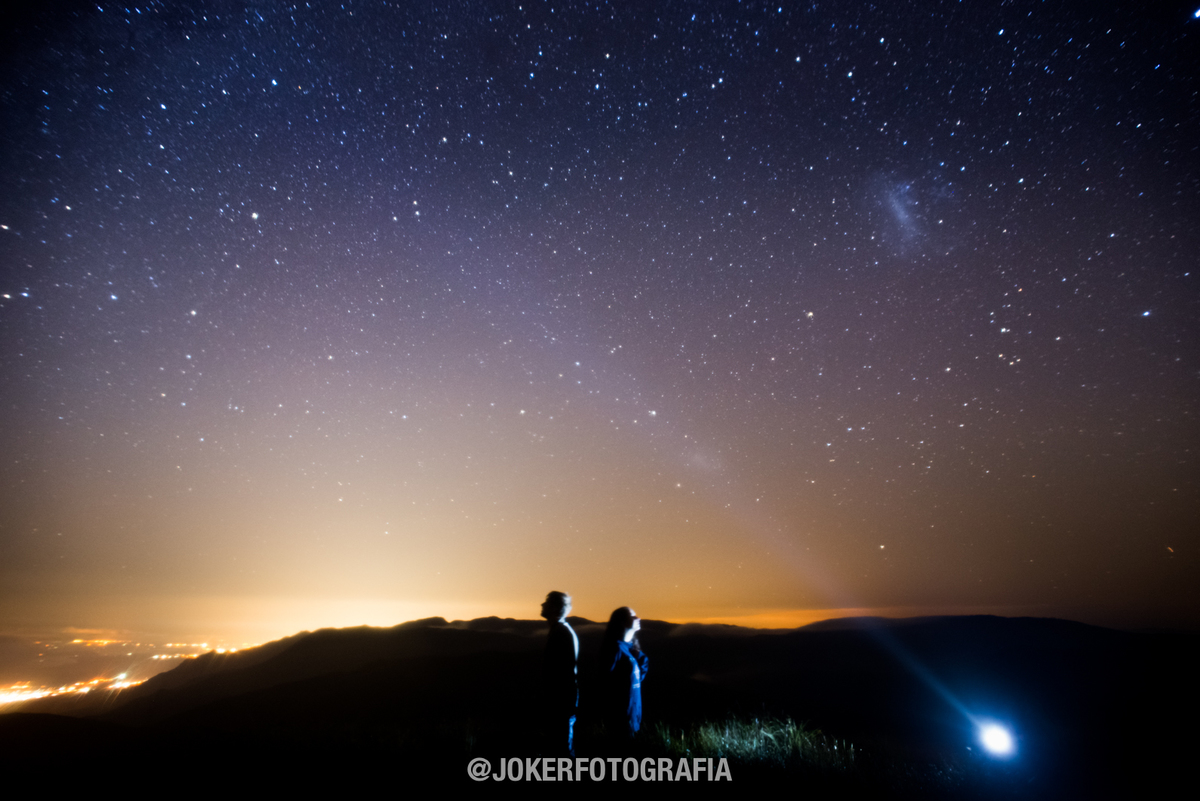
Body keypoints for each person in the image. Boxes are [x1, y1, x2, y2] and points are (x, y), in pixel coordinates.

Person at [599, 606, 649, 739]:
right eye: (632, 616)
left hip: (633, 718)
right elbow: (604, 682)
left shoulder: (631, 649)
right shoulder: (614, 648)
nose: (638, 618)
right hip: (620, 720)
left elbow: (637, 678)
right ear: (622, 622)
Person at [540, 590, 579, 756]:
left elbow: (558, 672)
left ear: (555, 608)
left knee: (561, 747)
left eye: (547, 602)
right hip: (562, 700)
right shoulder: (562, 630)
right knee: (561, 745)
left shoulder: (560, 633)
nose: (542, 604)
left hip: (560, 701)